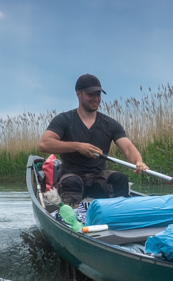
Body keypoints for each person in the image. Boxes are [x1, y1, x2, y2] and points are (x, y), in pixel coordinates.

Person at [38, 74, 148, 207]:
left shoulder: (110, 124)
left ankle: (118, 216)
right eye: (91, 94)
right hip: (71, 176)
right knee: (72, 182)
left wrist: (138, 162)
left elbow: (128, 148)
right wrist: (78, 147)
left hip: (98, 178)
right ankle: (73, 221)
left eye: (98, 94)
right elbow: (44, 144)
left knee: (120, 179)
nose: (96, 98)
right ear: (78, 94)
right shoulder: (64, 120)